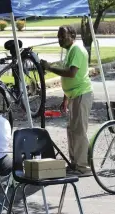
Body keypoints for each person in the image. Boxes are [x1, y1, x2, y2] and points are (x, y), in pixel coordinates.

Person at [40, 25, 93, 175]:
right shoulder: (71, 50)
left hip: (81, 94)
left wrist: (49, 68)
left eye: (63, 36)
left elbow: (71, 73)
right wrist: (66, 98)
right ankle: (75, 163)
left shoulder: (76, 49)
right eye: (58, 37)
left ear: (73, 35)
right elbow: (68, 77)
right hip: (74, 95)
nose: (60, 39)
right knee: (72, 130)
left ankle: (83, 167)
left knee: (79, 131)